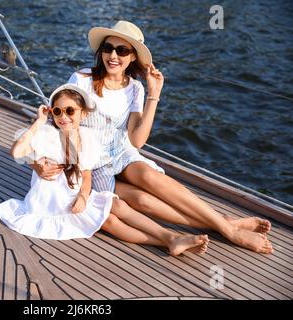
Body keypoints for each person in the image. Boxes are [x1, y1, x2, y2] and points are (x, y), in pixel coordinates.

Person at [32, 20, 273, 254]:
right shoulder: (82, 79)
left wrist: (153, 94)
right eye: (108, 48)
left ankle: (227, 229)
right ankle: (225, 223)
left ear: (133, 56)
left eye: (122, 50)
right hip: (91, 161)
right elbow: (59, 118)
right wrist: (39, 161)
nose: (113, 56)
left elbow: (137, 141)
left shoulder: (135, 88)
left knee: (148, 175)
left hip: (120, 152)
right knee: (142, 201)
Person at [0, 84, 209, 256]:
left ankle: (170, 238)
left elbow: (86, 176)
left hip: (75, 195)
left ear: (84, 114)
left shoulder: (87, 138)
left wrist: (83, 196)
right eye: (57, 111)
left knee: (118, 206)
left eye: (70, 111)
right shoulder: (47, 134)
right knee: (110, 221)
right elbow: (17, 152)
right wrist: (40, 121)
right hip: (52, 204)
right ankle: (168, 240)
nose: (64, 117)